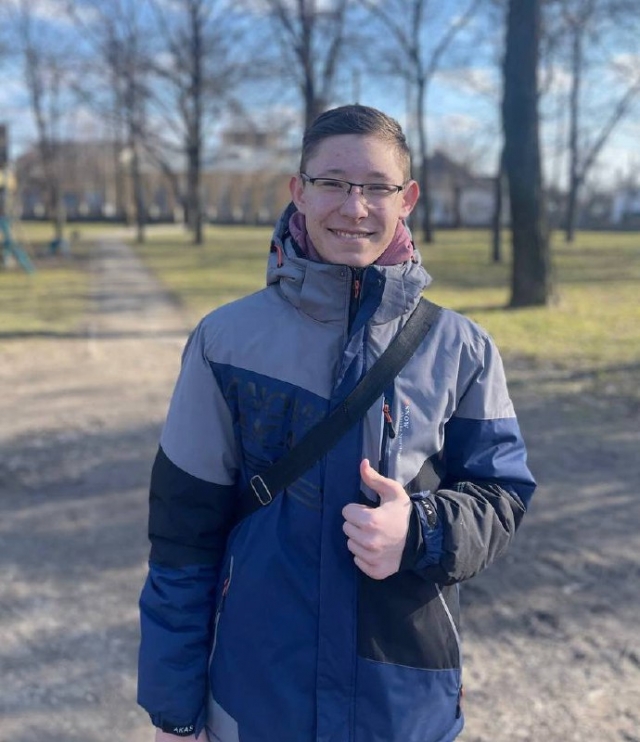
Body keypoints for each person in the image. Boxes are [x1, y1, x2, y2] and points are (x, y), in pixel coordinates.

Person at [138, 104, 536, 742]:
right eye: (332, 183)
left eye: (377, 187)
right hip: (258, 691)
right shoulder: (224, 342)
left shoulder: (462, 348)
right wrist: (175, 710)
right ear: (299, 191)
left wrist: (421, 530)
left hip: (404, 702)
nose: (354, 207)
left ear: (406, 199)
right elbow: (183, 533)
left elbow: (503, 494)